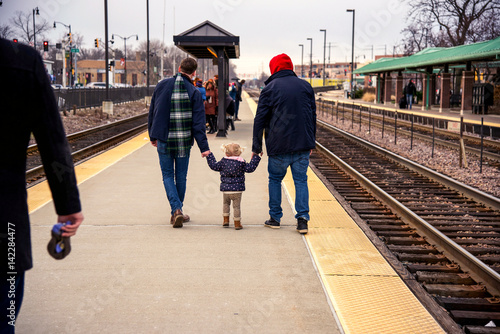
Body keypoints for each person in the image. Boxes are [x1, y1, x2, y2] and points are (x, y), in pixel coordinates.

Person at [0, 38, 84, 333]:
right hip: (5, 222)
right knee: (3, 316)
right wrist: (68, 206)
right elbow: (52, 142)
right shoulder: (21, 61)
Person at [252, 53, 316, 234]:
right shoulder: (306, 87)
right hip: (303, 144)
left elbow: (260, 120)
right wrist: (311, 142)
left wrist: (256, 148)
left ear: (274, 68)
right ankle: (302, 220)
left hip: (278, 145)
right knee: (301, 181)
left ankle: (275, 218)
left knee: (275, 179)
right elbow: (312, 116)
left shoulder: (270, 89)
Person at [148, 58, 211, 228]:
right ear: (194, 73)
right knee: (181, 176)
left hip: (164, 139)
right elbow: (199, 124)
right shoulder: (194, 91)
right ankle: (178, 210)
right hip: (183, 142)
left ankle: (176, 210)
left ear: (179, 68)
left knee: (167, 175)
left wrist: (152, 135)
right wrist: (204, 148)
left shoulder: (162, 85)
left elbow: (153, 111)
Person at [206, 143, 261, 230]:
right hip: (237, 190)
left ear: (226, 153)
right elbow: (250, 168)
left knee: (225, 204)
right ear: (239, 153)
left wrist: (209, 156)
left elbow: (214, 166)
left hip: (226, 190)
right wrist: (256, 157)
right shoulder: (241, 162)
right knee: (236, 207)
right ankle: (237, 224)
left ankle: (226, 221)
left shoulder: (223, 162)